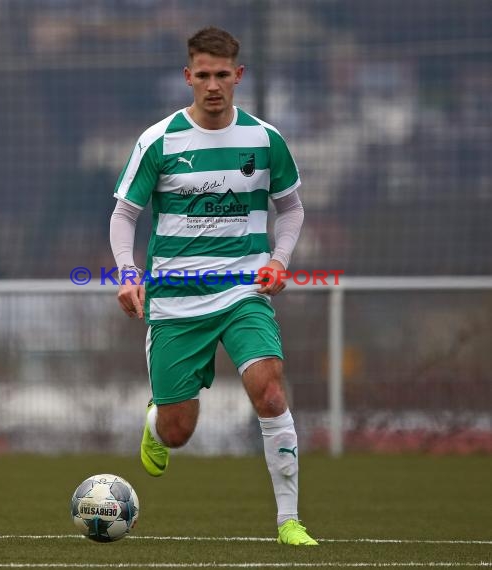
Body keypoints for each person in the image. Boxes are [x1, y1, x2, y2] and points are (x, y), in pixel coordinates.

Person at [109, 26, 317, 547]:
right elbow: (125, 215)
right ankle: (157, 421)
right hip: (176, 301)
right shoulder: (158, 140)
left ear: (238, 75)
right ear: (188, 77)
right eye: (203, 75)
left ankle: (289, 521)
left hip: (243, 292)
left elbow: (290, 209)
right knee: (180, 432)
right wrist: (127, 273)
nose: (213, 85)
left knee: (270, 391)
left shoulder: (266, 140)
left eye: (223, 75)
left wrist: (279, 259)